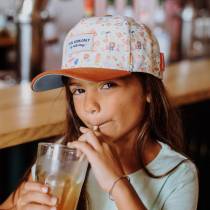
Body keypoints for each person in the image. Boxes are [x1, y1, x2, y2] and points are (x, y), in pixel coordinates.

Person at [0, 15, 198, 210]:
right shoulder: (62, 159)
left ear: (148, 89)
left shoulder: (178, 174)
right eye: (79, 90)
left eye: (108, 85)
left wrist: (116, 182)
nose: (90, 106)